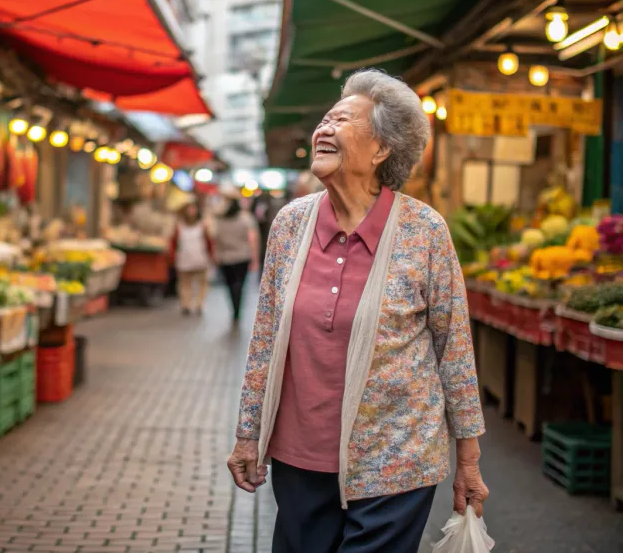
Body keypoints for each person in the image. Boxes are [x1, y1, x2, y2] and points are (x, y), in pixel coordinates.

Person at [227, 69, 488, 553]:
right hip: (300, 457)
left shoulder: (423, 231)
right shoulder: (289, 224)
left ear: (382, 149)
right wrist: (248, 435)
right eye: (325, 119)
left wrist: (468, 459)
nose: (323, 128)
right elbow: (264, 340)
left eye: (341, 120)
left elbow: (454, 349)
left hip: (397, 458)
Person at [214, 196, 259, 324]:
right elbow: (252, 239)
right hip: (242, 257)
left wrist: (216, 255)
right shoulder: (246, 219)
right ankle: (237, 310)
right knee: (239, 284)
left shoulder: (221, 220)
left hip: (225, 258)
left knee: (230, 284)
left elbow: (216, 239)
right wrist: (254, 258)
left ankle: (234, 308)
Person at [170, 202, 213, 316]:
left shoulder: (203, 226)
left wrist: (211, 255)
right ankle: (186, 304)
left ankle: (199, 303)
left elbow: (209, 242)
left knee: (201, 283)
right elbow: (174, 243)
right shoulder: (179, 226)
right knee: (185, 283)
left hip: (200, 258)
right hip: (184, 258)